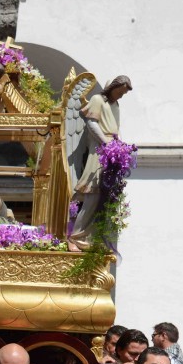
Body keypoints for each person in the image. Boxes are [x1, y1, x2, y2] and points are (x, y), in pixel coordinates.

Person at [69, 75, 132, 251]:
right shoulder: (98, 100)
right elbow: (92, 124)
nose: (121, 96)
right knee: (92, 195)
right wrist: (106, 143)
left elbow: (116, 130)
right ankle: (75, 236)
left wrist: (120, 148)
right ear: (113, 87)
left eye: (123, 93)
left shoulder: (116, 105)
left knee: (105, 197)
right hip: (100, 152)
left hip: (112, 152)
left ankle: (93, 237)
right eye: (120, 91)